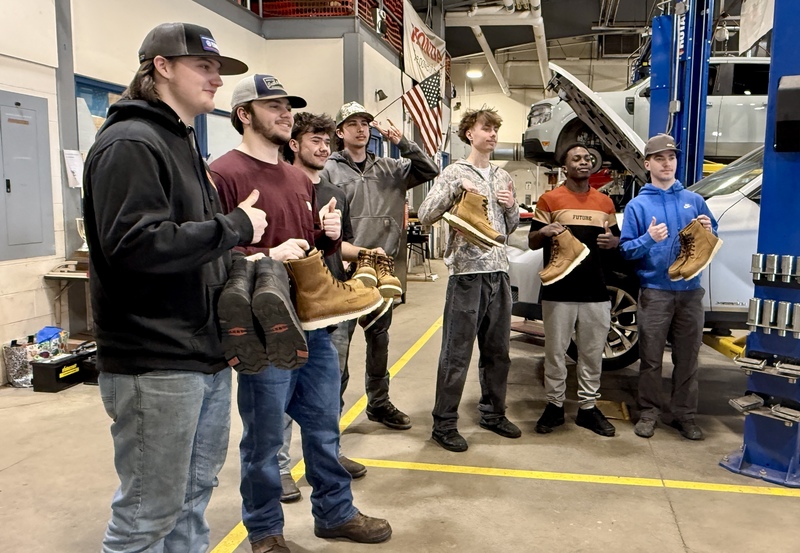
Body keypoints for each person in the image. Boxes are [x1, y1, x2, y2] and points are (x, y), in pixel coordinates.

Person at [83, 22, 266, 552]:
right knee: (147, 515)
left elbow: (191, 246)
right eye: (203, 67)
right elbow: (136, 245)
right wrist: (233, 226)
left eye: (218, 70)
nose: (215, 79)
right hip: (154, 360)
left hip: (201, 354)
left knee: (192, 498)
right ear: (161, 67)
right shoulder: (130, 142)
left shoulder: (181, 141)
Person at [210, 75, 391, 552]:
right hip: (265, 331)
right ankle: (265, 532)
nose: (285, 112)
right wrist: (265, 253)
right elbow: (213, 254)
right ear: (243, 115)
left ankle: (335, 513)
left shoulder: (296, 176)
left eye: (287, 105)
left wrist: (328, 235)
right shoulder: (222, 173)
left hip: (314, 321)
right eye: (272, 105)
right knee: (265, 442)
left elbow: (309, 249)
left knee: (323, 427)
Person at [321, 101, 440, 431]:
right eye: (353, 123)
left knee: (379, 342)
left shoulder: (391, 167)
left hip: (383, 271)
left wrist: (403, 141)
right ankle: (330, 418)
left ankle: (378, 403)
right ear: (340, 132)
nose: (361, 128)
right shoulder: (329, 170)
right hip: (343, 273)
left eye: (365, 123)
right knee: (337, 352)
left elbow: (430, 170)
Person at [277, 112, 369, 504]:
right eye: (314, 139)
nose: (323, 146)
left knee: (330, 388)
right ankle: (281, 467)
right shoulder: (279, 186)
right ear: (294, 144)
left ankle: (328, 454)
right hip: (288, 304)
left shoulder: (337, 190)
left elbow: (340, 245)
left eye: (326, 139)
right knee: (281, 394)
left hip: (330, 303)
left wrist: (365, 254)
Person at [417, 107, 521, 452]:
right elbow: (427, 214)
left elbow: (509, 229)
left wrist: (509, 207)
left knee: (498, 352)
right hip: (466, 274)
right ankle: (444, 423)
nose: (491, 135)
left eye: (495, 130)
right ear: (469, 134)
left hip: (499, 272)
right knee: (456, 353)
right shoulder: (453, 172)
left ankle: (493, 413)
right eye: (485, 129)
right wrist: (454, 191)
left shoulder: (503, 177)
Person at [619, 134, 718, 441]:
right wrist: (649, 238)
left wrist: (708, 230)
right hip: (655, 292)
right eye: (659, 158)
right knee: (650, 357)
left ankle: (684, 415)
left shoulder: (695, 200)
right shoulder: (638, 206)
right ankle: (649, 412)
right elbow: (626, 251)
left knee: (688, 358)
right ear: (647, 164)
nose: (667, 163)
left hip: (690, 293)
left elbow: (712, 241)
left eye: (671, 158)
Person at [528, 144, 619, 437]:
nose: (584, 162)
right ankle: (554, 406)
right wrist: (543, 231)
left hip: (595, 291)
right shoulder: (550, 199)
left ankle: (587, 409)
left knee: (592, 354)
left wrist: (613, 244)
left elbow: (614, 244)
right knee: (555, 353)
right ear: (564, 167)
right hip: (558, 290)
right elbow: (532, 241)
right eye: (576, 158)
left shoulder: (605, 203)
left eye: (588, 159)